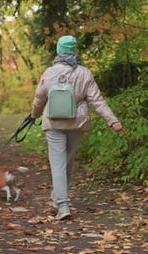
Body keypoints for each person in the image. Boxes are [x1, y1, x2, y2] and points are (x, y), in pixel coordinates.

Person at [30, 35, 124, 220]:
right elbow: (96, 100)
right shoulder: (84, 73)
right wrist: (113, 121)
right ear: (74, 51)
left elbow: (39, 98)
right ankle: (60, 198)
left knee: (58, 163)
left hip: (54, 122)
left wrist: (34, 115)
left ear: (58, 51)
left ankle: (62, 204)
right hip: (77, 122)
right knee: (67, 162)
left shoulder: (49, 72)